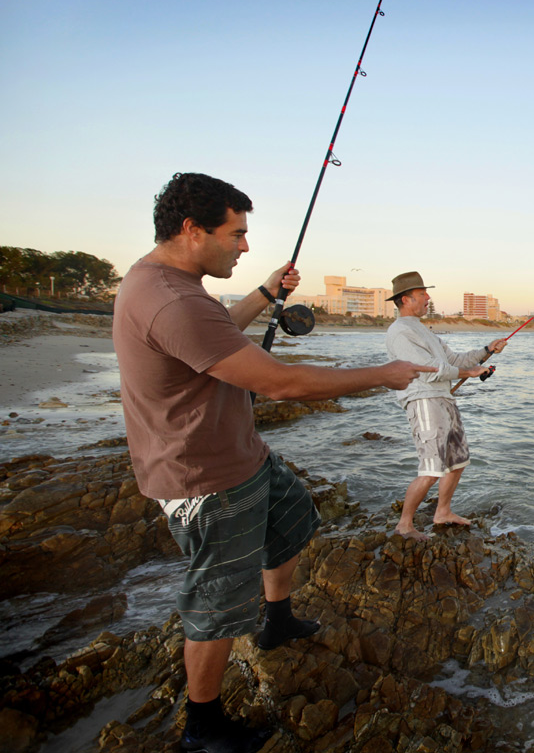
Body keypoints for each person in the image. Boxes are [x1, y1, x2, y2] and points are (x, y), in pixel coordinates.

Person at [113, 172, 434, 753]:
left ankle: (277, 619)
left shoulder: (173, 285)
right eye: (236, 234)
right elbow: (280, 383)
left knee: (292, 523)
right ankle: (203, 727)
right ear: (192, 230)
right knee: (216, 603)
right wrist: (381, 376)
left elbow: (213, 337)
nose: (244, 245)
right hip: (202, 476)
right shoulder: (168, 298)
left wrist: (263, 292)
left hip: (241, 456)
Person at [384, 271, 506, 541]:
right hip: (424, 401)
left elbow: (455, 359)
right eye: (422, 294)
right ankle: (405, 524)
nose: (428, 298)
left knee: (458, 461)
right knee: (432, 467)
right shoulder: (400, 332)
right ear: (406, 299)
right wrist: (470, 374)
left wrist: (487, 349)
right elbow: (426, 370)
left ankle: (443, 512)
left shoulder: (422, 329)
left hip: (444, 399)